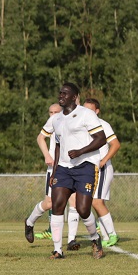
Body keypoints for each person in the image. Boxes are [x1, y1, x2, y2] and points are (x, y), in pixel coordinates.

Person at [48, 83, 107, 259]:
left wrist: (81, 151)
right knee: (57, 205)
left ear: (74, 97)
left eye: (66, 93)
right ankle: (58, 250)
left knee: (82, 209)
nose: (61, 96)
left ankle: (95, 239)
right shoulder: (57, 119)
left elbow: (101, 139)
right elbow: (58, 145)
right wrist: (55, 170)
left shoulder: (86, 114)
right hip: (64, 168)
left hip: (85, 166)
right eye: (60, 93)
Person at [83, 98, 121, 247]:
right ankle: (105, 236)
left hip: (102, 169)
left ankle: (112, 234)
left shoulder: (103, 125)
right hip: (90, 169)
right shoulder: (83, 126)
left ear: (97, 111)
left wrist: (104, 159)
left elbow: (115, 144)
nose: (87, 113)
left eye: (90, 110)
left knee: (96, 202)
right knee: (96, 203)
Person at [25, 103, 61, 242]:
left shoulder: (70, 121)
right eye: (50, 112)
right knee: (49, 203)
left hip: (71, 167)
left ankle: (71, 240)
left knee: (76, 201)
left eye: (56, 112)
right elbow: (40, 138)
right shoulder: (51, 124)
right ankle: (29, 222)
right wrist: (47, 155)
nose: (53, 115)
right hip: (54, 168)